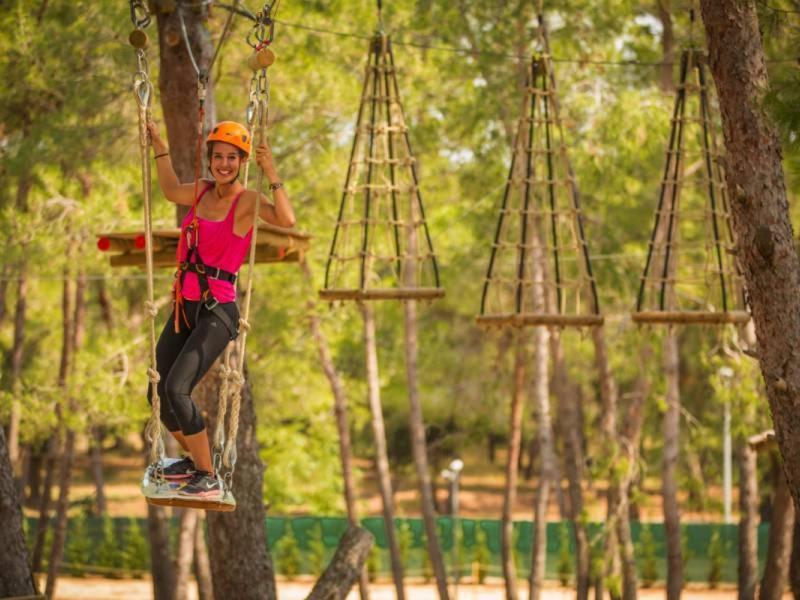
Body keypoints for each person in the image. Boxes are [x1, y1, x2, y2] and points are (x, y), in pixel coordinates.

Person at [145, 119, 295, 500]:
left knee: (178, 389)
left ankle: (208, 476)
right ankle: (197, 462)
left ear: (242, 162)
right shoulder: (199, 191)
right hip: (186, 304)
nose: (224, 164)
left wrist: (271, 172)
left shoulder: (245, 201)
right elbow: (167, 189)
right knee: (158, 396)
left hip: (217, 311)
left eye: (232, 158)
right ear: (210, 160)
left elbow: (287, 220)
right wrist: (160, 145)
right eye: (218, 157)